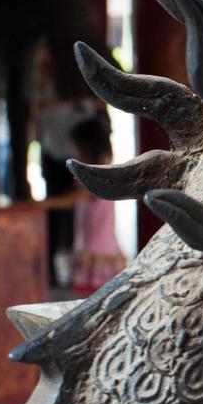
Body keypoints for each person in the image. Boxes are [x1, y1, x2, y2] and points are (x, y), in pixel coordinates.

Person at [68, 117, 127, 296]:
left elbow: (75, 198)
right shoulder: (98, 171)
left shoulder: (98, 174)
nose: (76, 152)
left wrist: (41, 204)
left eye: (78, 148)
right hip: (97, 248)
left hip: (99, 252)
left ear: (88, 147)